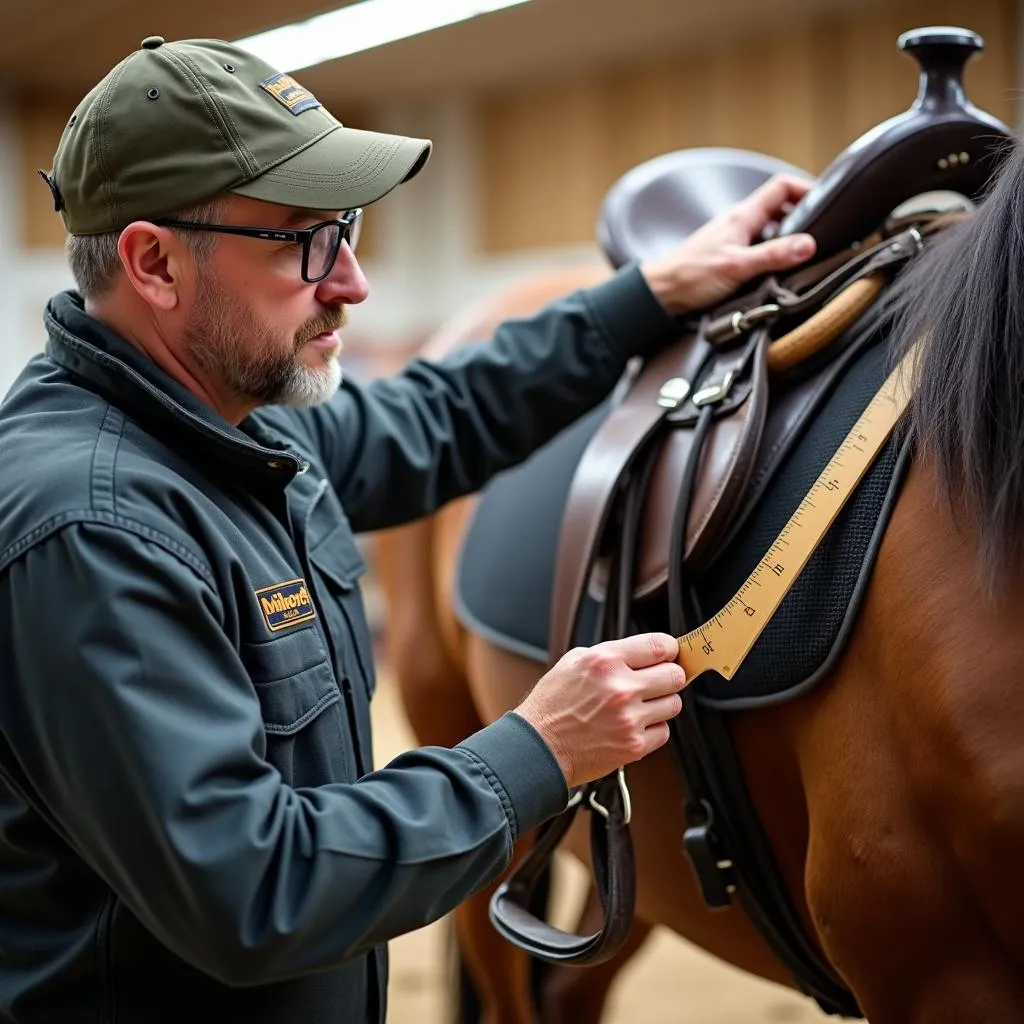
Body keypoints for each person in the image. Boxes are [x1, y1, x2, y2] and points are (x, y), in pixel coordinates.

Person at [0, 34, 816, 1024]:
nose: (350, 282)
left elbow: (439, 415)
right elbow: (257, 888)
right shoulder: (95, 527)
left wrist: (647, 298)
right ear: (155, 262)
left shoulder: (236, 429)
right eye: (304, 241)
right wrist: (537, 749)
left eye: (345, 230)